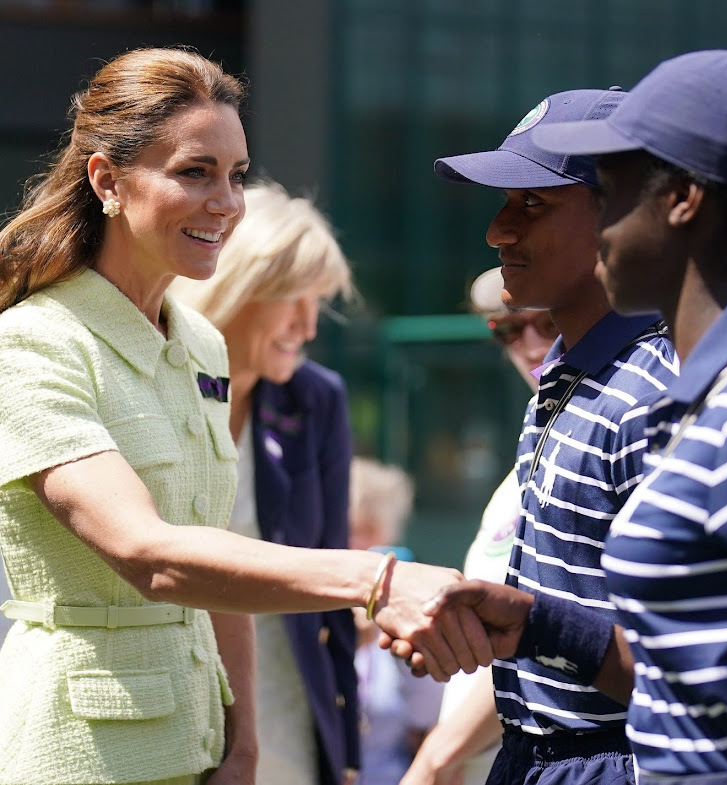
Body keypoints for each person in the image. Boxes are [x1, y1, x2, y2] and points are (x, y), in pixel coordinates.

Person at [0, 46, 480, 785]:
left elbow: (212, 553)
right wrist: (377, 578)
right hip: (79, 751)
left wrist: (246, 741)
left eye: (236, 175)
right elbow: (151, 554)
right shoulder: (33, 342)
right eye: (194, 171)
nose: (225, 201)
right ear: (107, 181)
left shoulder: (200, 344)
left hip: (202, 744)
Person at [422, 47, 727, 785]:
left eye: (614, 191)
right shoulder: (699, 391)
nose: (497, 233)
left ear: (681, 198)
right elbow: (686, 671)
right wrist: (534, 624)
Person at [388, 87, 679, 785]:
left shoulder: (656, 392)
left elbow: (691, 676)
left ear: (622, 214)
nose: (496, 231)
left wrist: (530, 622)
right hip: (533, 752)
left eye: (532, 204)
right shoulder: (569, 374)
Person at [169, 181, 359, 785]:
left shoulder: (317, 399)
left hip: (284, 699)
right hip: (164, 686)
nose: (307, 327)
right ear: (240, 286)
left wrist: (347, 743)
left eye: (319, 304)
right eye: (294, 300)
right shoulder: (155, 376)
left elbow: (335, 577)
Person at [401, 268, 557, 785]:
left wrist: (436, 758)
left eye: (547, 322)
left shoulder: (603, 436)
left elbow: (559, 632)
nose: (530, 345)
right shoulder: (536, 445)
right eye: (510, 330)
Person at [348, 457, 445, 785]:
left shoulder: (396, 617)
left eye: (373, 533)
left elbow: (426, 716)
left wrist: (401, 640)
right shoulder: (300, 613)